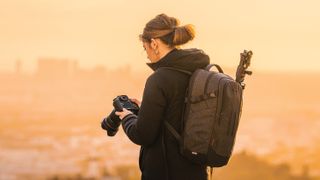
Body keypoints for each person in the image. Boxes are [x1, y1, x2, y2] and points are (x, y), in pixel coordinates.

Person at [115, 14, 210, 180]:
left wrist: (127, 117)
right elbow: (179, 113)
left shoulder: (159, 79)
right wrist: (147, 107)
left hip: (166, 173)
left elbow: (143, 134)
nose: (146, 55)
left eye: (145, 48)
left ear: (154, 43)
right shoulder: (198, 72)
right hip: (196, 171)